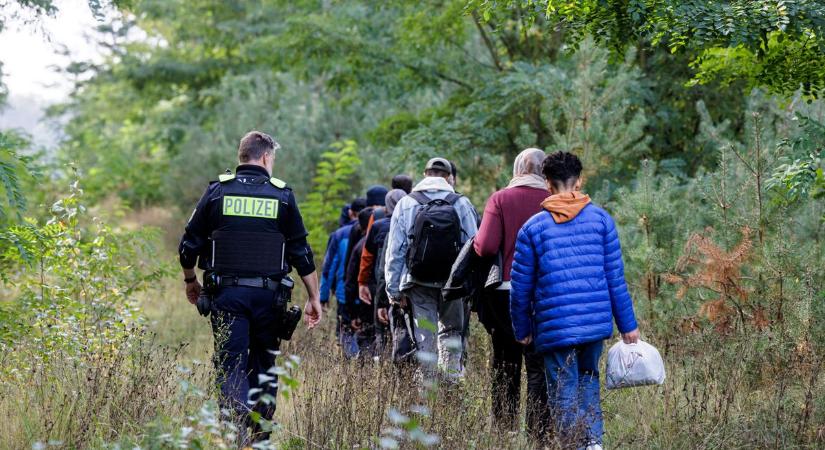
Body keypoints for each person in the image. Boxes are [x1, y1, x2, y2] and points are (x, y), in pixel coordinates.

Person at [178, 131, 322, 442]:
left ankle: (234, 435)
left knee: (230, 364)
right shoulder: (282, 196)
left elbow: (188, 245)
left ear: (241, 156)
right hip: (269, 299)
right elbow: (301, 251)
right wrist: (314, 297)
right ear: (267, 157)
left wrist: (191, 280)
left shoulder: (217, 192)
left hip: (226, 296)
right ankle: (259, 439)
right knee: (264, 365)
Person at [510, 151, 640, 449]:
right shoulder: (602, 221)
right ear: (579, 180)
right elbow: (614, 279)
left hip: (555, 328)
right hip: (594, 325)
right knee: (588, 381)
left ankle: (574, 444)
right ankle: (593, 442)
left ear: (547, 184)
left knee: (563, 391)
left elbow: (521, 288)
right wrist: (628, 326)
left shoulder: (532, 228)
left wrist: (522, 329)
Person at [474, 148, 550, 437]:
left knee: (505, 362)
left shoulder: (501, 199)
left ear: (518, 169)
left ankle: (504, 429)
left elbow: (487, 246)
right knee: (538, 364)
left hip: (504, 292)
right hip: (544, 294)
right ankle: (538, 432)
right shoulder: (553, 200)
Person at [384, 157, 478, 380]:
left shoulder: (406, 203)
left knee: (425, 335)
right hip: (452, 284)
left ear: (425, 175)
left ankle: (428, 389)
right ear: (448, 177)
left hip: (418, 283)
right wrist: (471, 286)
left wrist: (393, 290)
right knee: (452, 332)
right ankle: (452, 382)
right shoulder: (461, 203)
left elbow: (395, 251)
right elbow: (474, 245)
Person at [320, 198, 366, 355]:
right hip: (367, 293)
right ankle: (365, 364)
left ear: (350, 213)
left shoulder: (339, 235)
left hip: (343, 293)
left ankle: (352, 358)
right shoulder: (373, 230)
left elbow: (328, 268)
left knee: (345, 329)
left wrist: (323, 296)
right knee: (366, 330)